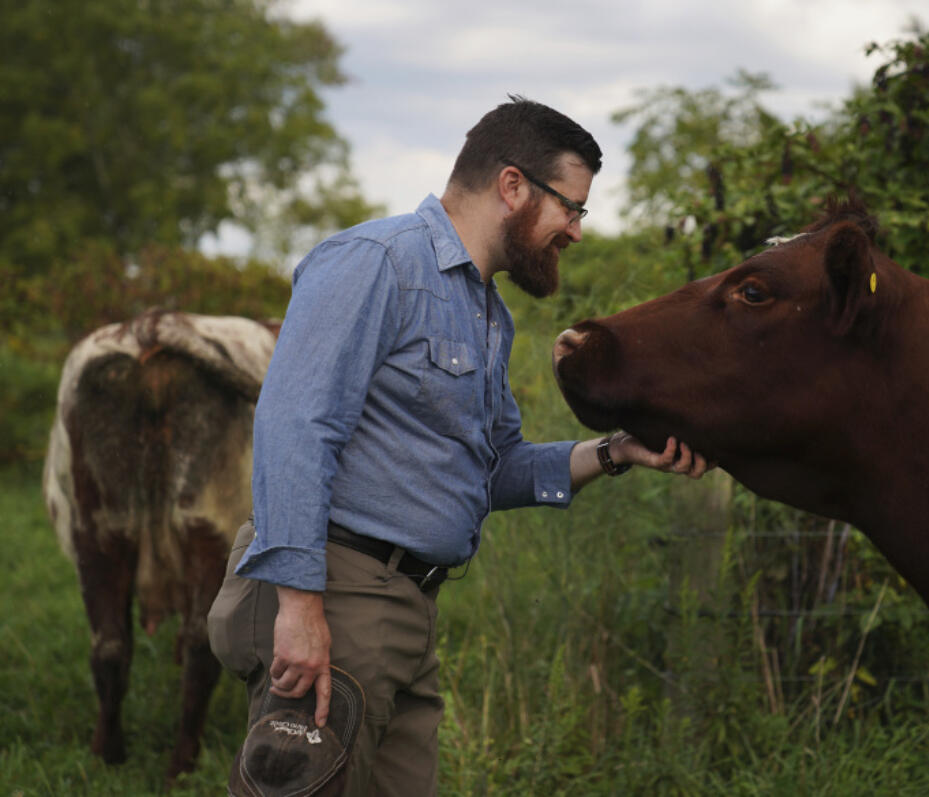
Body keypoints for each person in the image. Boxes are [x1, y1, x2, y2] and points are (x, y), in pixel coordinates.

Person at [208, 96, 710, 796]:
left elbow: (497, 468)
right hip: (340, 594)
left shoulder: (487, 313)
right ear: (512, 186)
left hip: (409, 616)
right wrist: (299, 606)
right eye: (573, 206)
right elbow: (296, 424)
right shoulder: (376, 261)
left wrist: (620, 451)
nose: (577, 230)